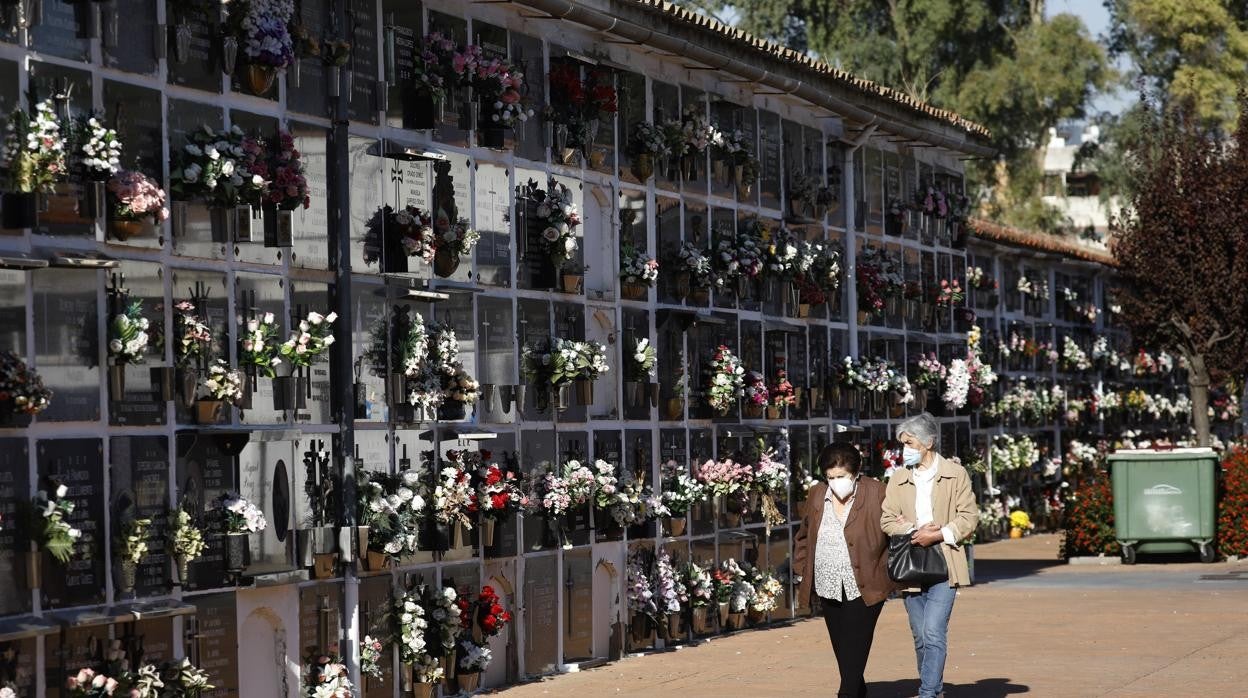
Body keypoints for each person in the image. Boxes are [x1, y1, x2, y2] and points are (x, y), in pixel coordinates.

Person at [881, 413, 978, 698]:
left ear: (929, 442)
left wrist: (937, 534)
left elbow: (968, 517)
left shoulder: (954, 474)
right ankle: (933, 688)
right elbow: (887, 519)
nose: (904, 450)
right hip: (910, 564)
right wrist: (915, 530)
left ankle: (927, 692)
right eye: (902, 444)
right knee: (920, 635)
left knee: (934, 631)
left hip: (945, 562)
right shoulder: (898, 479)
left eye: (909, 443)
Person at [793, 442, 894, 697]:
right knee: (842, 647)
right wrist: (801, 566)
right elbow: (804, 534)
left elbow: (895, 532)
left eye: (842, 477)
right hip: (827, 582)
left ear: (856, 472)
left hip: (865, 583)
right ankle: (857, 690)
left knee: (855, 643)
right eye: (831, 477)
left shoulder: (877, 492)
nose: (836, 482)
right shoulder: (817, 494)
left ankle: (847, 693)